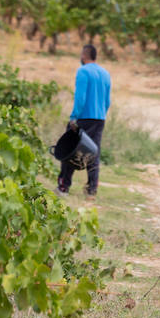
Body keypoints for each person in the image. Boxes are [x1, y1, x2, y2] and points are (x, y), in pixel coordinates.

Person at [57, 43, 111, 200]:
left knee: (70, 150)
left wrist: (74, 117)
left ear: (84, 56)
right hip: (99, 118)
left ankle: (64, 186)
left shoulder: (83, 71)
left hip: (83, 117)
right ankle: (91, 190)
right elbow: (107, 101)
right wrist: (101, 114)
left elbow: (80, 98)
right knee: (93, 152)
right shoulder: (105, 73)